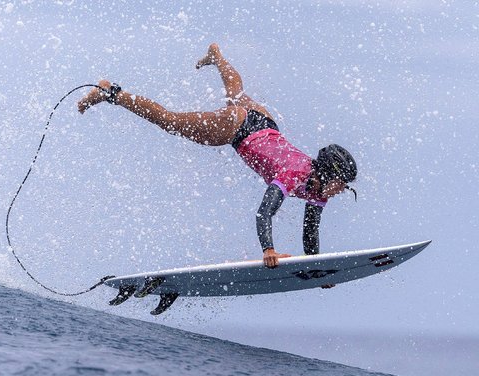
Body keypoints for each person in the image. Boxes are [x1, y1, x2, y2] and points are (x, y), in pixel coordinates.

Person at [78, 43, 357, 269]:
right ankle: (110, 92)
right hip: (237, 128)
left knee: (236, 93)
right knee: (170, 121)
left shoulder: (318, 192)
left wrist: (316, 267)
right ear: (328, 174)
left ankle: (217, 56)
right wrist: (268, 249)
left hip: (265, 124)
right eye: (342, 184)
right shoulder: (294, 174)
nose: (342, 190)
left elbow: (310, 231)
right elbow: (264, 213)